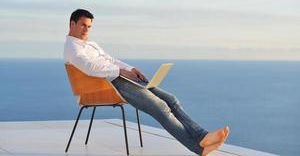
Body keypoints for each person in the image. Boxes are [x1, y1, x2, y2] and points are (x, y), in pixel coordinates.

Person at [64, 9, 229, 156]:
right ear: (72, 24)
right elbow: (90, 67)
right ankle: (198, 148)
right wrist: (121, 72)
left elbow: (110, 59)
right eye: (83, 25)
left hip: (121, 78)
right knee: (161, 107)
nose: (87, 30)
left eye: (89, 26)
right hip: (112, 85)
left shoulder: (90, 44)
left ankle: (203, 136)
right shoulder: (72, 48)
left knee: (171, 99)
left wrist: (131, 68)